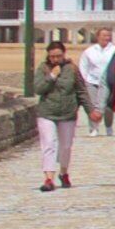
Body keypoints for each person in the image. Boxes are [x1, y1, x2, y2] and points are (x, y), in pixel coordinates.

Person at [30, 41, 83, 191]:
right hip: (47, 112)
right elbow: (38, 88)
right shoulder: (43, 68)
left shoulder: (72, 69)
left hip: (67, 113)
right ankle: (48, 178)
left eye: (58, 56)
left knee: (65, 146)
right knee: (49, 144)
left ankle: (64, 172)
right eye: (52, 56)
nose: (55, 59)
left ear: (63, 54)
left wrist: (91, 109)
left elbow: (81, 90)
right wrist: (52, 76)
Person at [76, 30, 115, 138]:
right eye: (104, 35)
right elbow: (83, 67)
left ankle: (108, 127)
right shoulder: (89, 51)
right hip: (92, 82)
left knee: (108, 107)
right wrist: (85, 81)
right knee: (93, 106)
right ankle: (94, 128)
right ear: (98, 37)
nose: (106, 37)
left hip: (108, 83)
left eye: (108, 35)